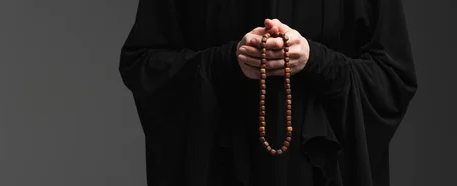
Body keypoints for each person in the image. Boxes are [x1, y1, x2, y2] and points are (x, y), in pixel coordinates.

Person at [118, 0, 417, 185]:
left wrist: (318, 61)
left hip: (322, 172)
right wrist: (225, 62)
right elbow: (144, 64)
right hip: (221, 169)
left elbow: (392, 77)